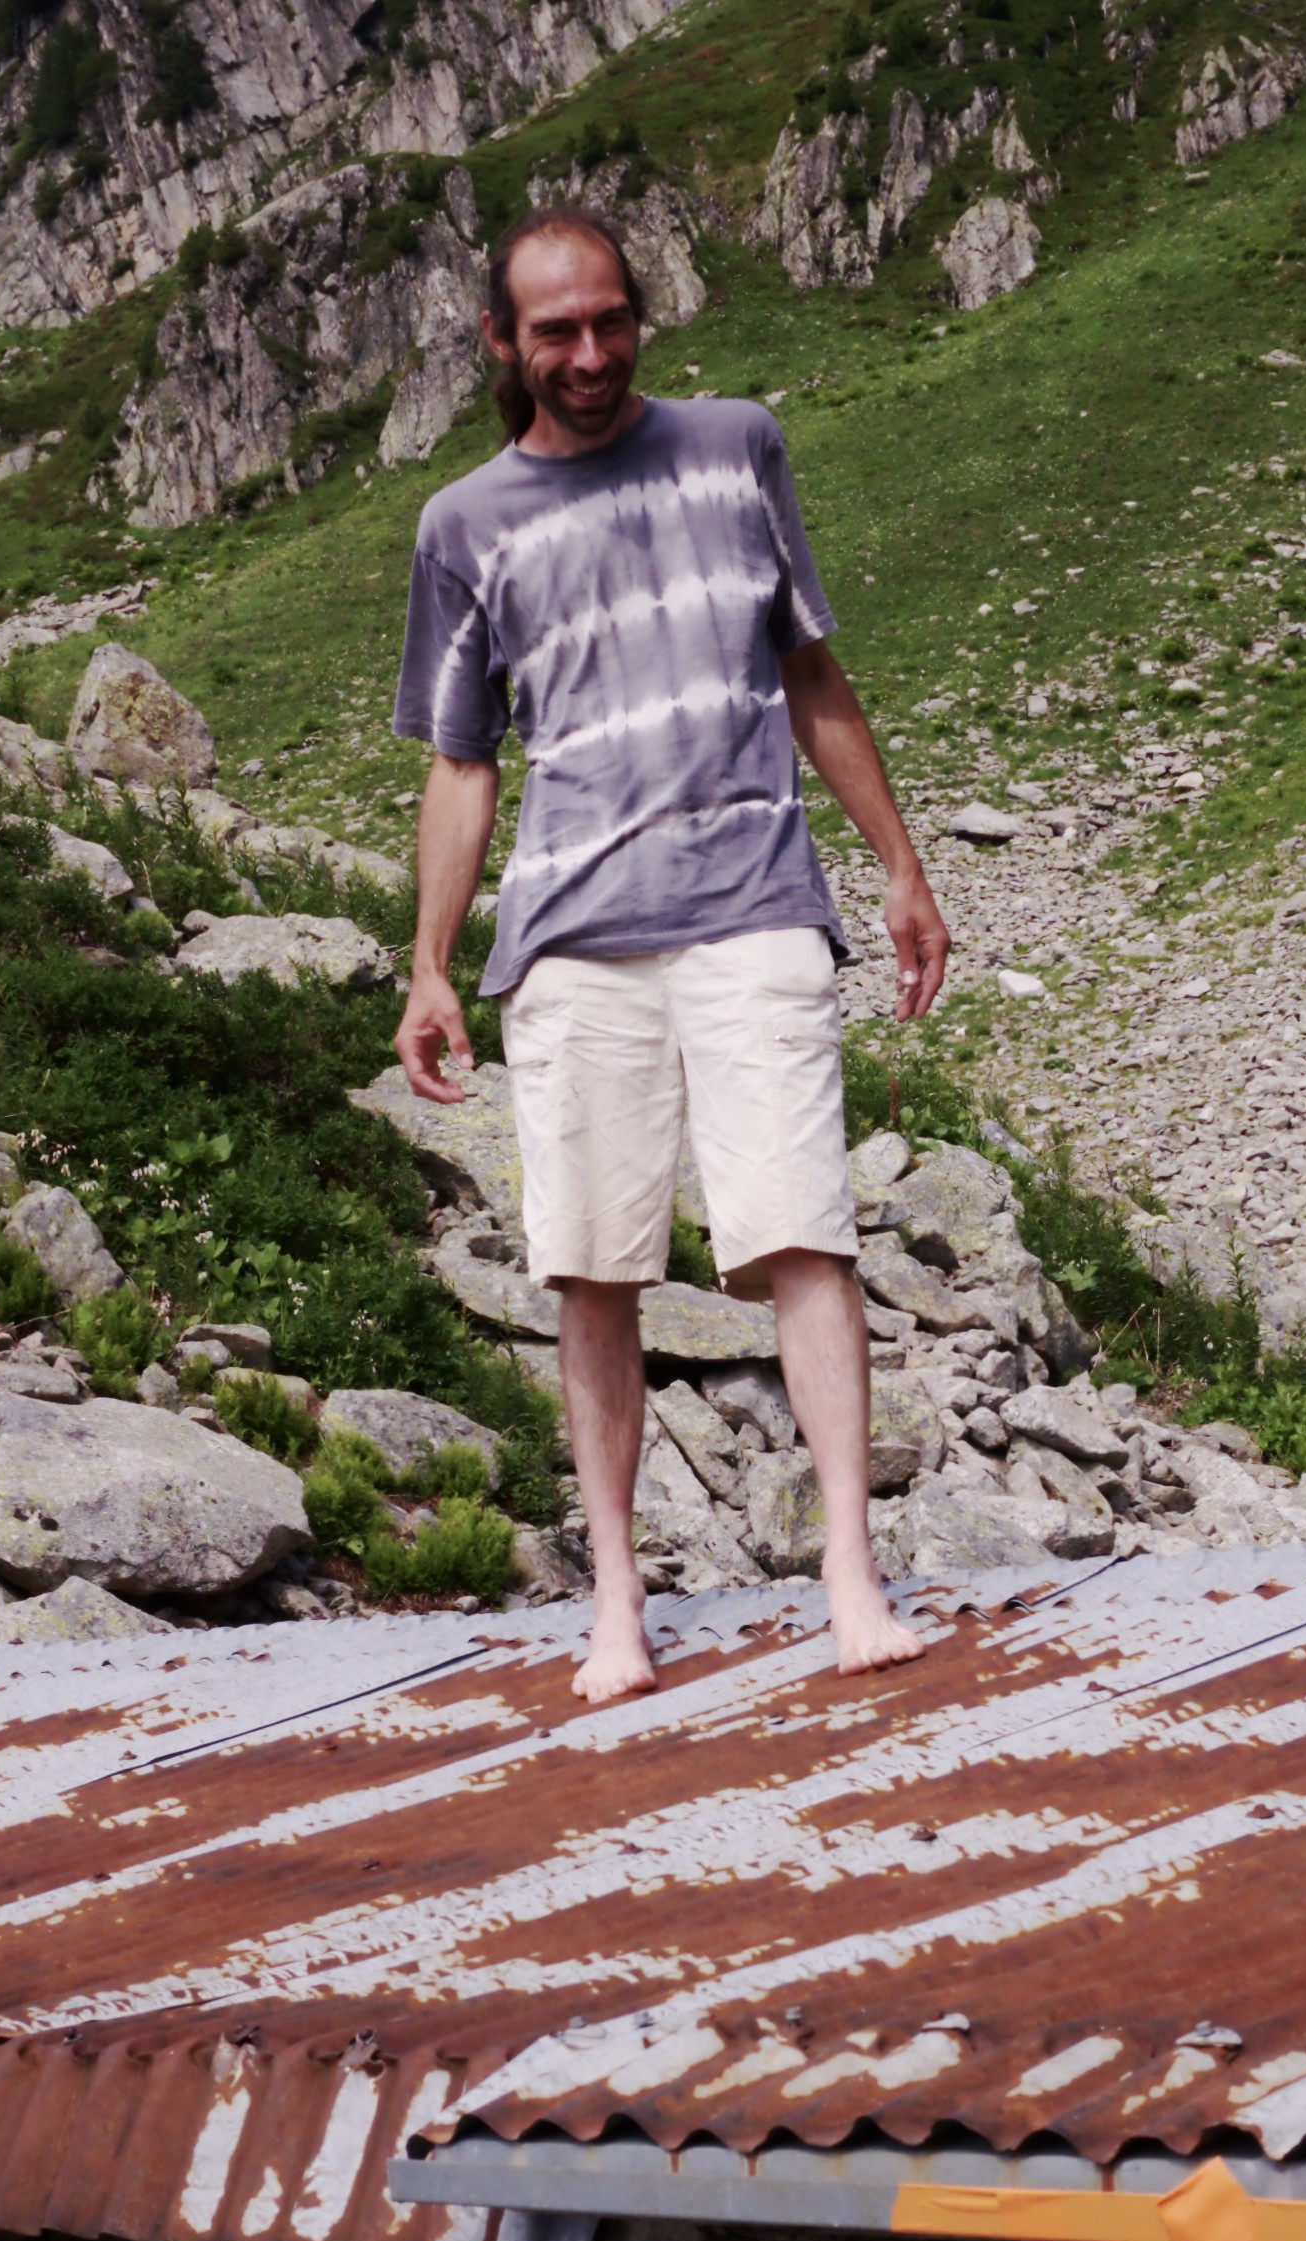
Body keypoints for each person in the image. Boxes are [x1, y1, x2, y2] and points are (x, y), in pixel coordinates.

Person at [389, 204, 953, 1707]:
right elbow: (461, 762)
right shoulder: (461, 526)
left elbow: (809, 666)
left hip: (755, 901)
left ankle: (851, 1572)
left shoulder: (736, 445)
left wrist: (899, 867)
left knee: (804, 1232)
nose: (588, 354)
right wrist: (431, 965)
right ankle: (617, 1601)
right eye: (554, 331)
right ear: (502, 342)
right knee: (592, 1266)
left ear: (639, 316)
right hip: (571, 941)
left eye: (608, 321)